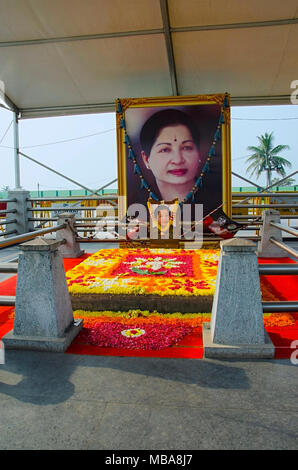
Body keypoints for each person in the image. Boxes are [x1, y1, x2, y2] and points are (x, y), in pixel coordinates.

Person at [140, 109, 202, 203]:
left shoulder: (217, 203)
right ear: (146, 160)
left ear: (199, 153)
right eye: (165, 150)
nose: (178, 160)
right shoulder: (136, 208)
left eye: (186, 148)